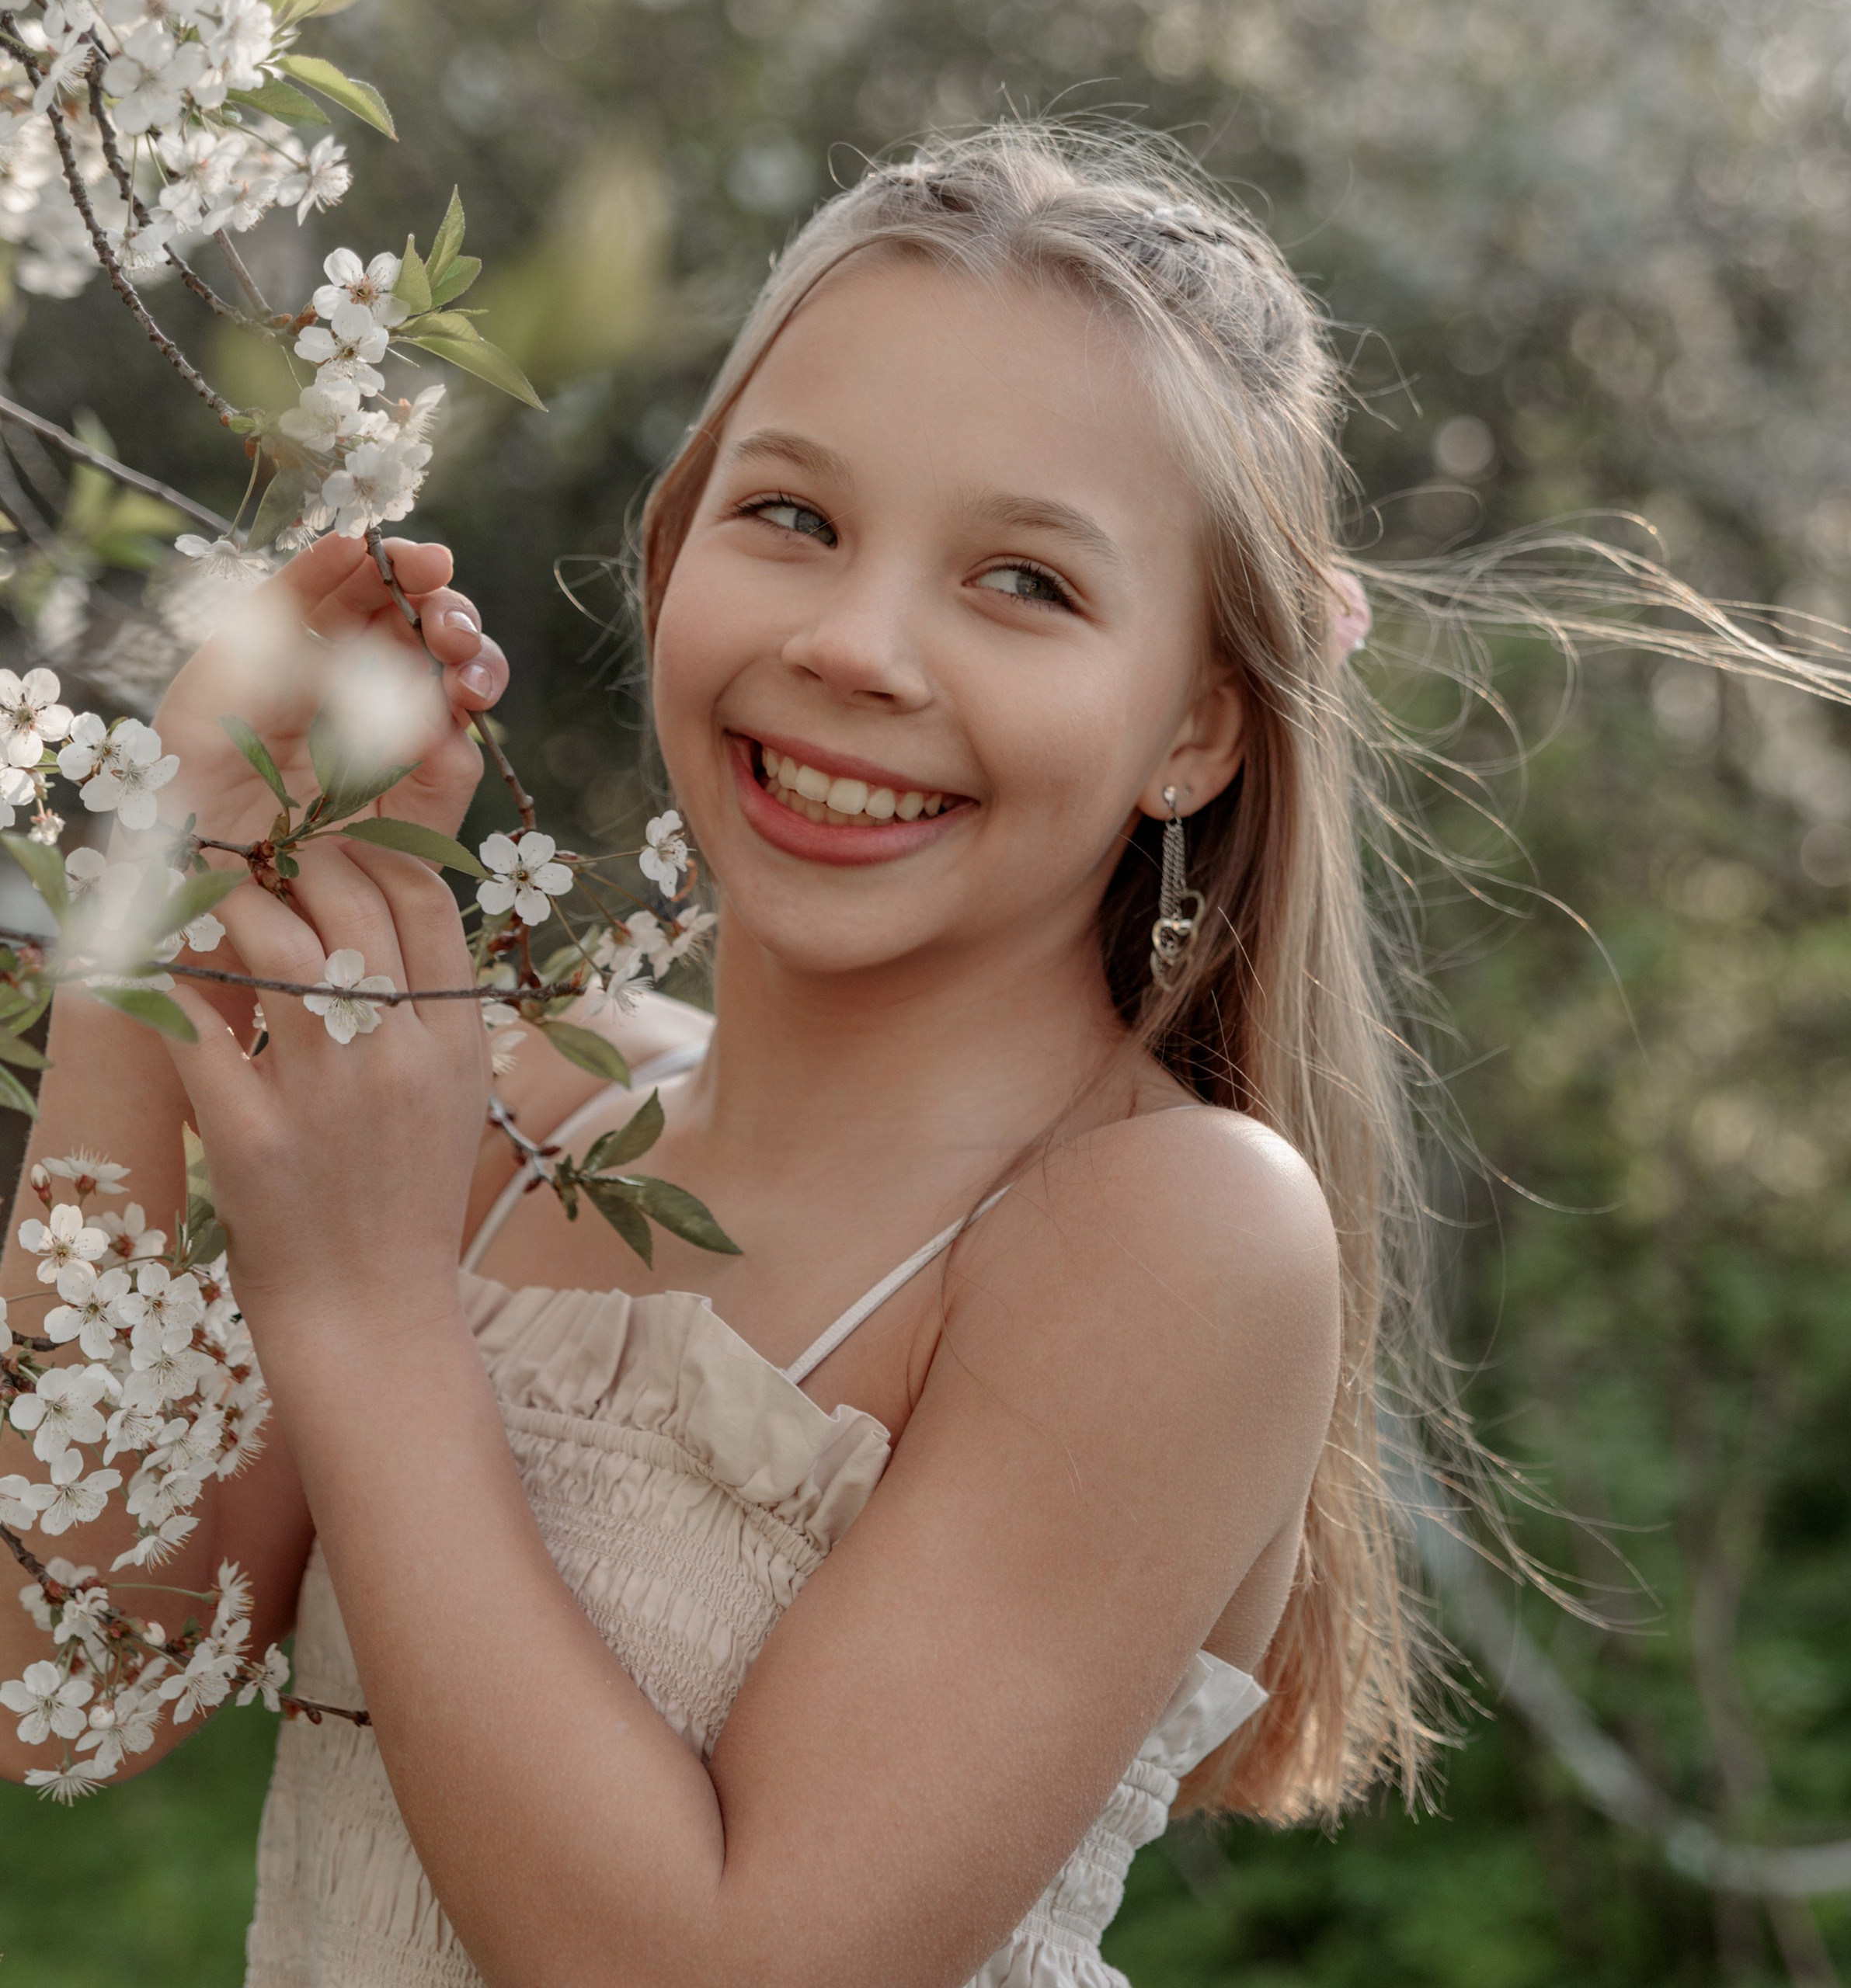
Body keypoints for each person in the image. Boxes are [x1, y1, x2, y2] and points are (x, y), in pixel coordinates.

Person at [2, 126, 1456, 1984]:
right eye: (792, 518)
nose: (855, 644)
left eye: (1024, 581)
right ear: (672, 550)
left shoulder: (1167, 1236)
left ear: (1195, 726)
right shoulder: (515, 1102)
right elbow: (67, 1676)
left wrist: (362, 1304)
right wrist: (172, 887)